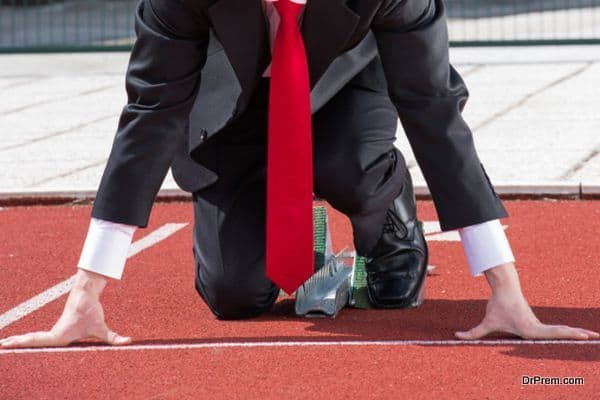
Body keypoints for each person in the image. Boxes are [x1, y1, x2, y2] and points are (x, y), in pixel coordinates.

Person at [1, 0, 597, 349]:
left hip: (341, 87)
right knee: (236, 295)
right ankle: (278, 219)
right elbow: (150, 114)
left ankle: (388, 216)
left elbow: (435, 112)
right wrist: (86, 295)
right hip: (231, 107)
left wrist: (507, 292)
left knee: (348, 164)